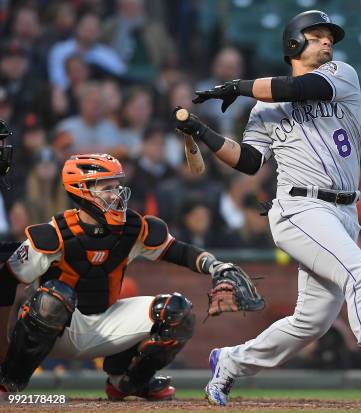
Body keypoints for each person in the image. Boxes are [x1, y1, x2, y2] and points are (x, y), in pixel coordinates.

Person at [175, 10, 361, 408]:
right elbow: (251, 161)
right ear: (293, 43)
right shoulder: (262, 110)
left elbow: (296, 87)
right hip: (299, 208)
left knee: (312, 322)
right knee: (359, 276)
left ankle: (231, 361)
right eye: (317, 36)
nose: (327, 43)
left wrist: (239, 85)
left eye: (329, 38)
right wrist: (203, 133)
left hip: (343, 211)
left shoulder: (342, 74)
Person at [0, 153, 258, 400]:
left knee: (178, 311)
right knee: (53, 298)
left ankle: (127, 382)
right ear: (81, 189)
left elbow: (177, 251)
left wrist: (215, 266)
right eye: (107, 187)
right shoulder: (52, 234)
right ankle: (8, 380)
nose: (117, 194)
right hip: (58, 331)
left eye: (117, 186)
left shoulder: (132, 228)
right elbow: (6, 281)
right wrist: (4, 342)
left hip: (107, 325)